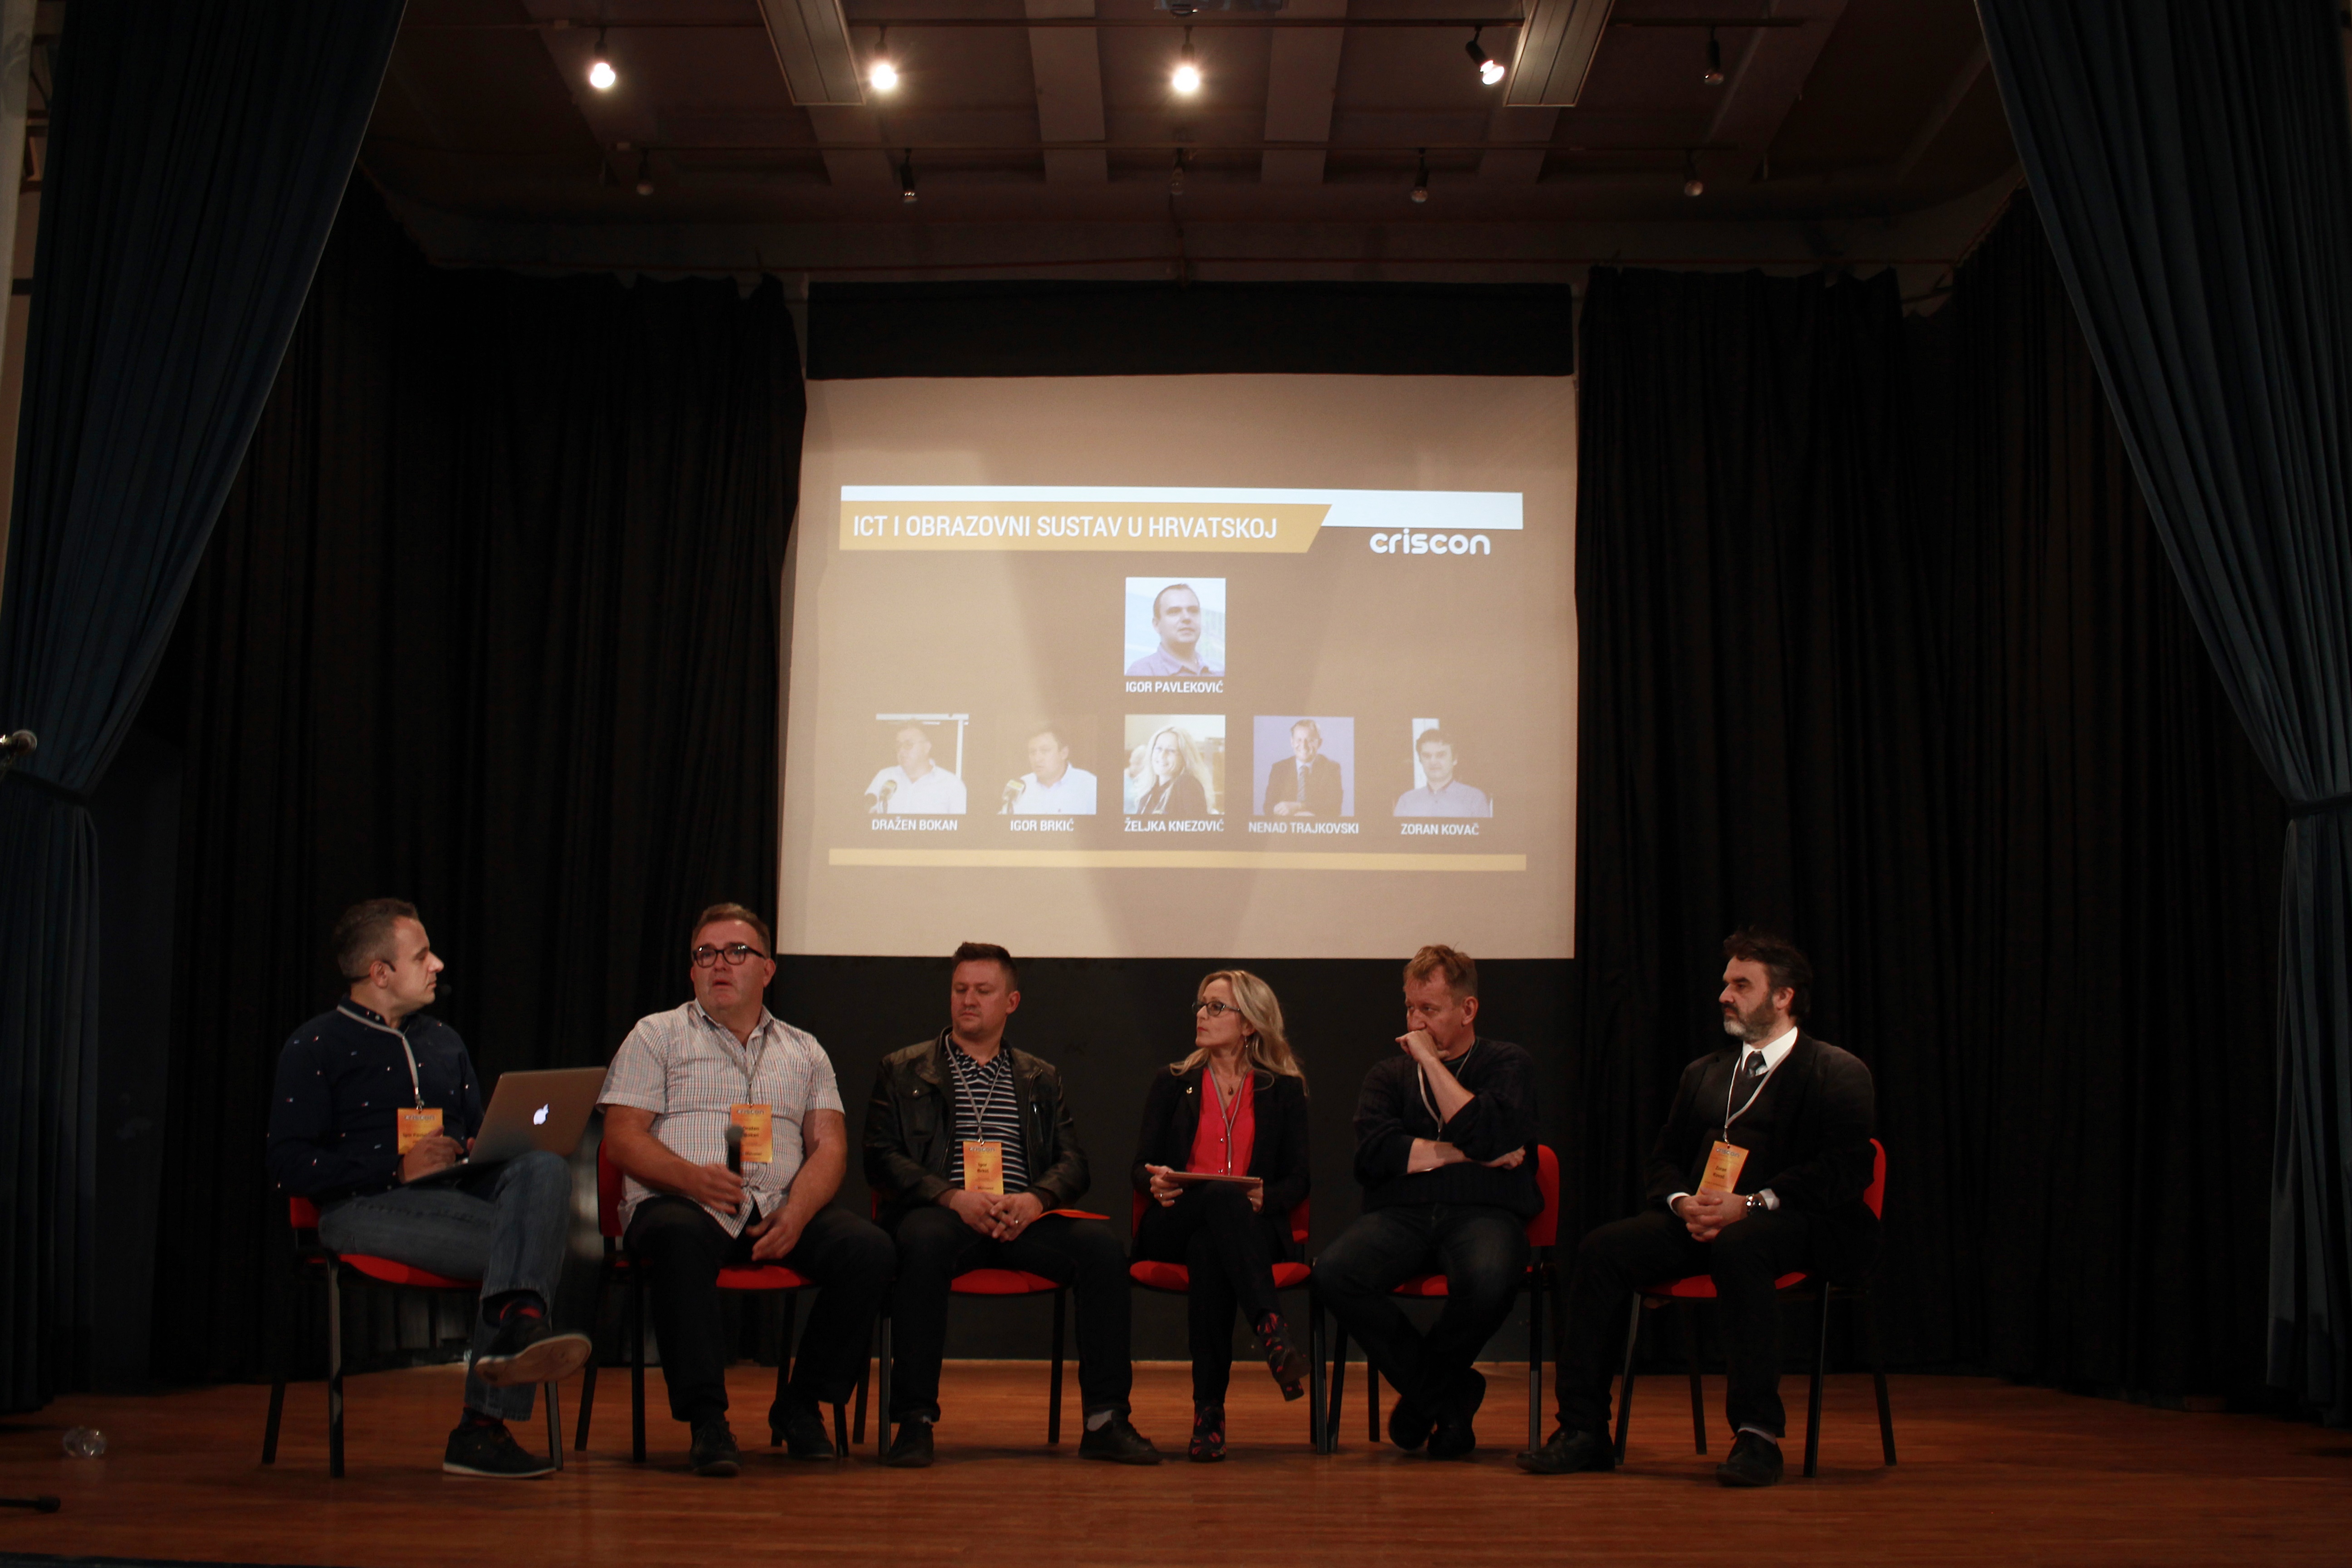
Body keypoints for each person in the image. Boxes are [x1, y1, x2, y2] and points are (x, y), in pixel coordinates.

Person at [1519, 930, 1877, 1487]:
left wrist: (1752, 1204)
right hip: (1705, 1220)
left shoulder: (1836, 1070)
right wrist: (1684, 1202)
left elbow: (1846, 1168)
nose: (1724, 996)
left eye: (1742, 985)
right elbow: (1663, 1160)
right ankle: (1583, 1429)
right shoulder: (1705, 1072)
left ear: (1784, 997)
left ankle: (1757, 1436)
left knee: (1742, 1243)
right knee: (1603, 1250)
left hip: (1801, 1222)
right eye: (1726, 984)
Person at [266, 899, 592, 1480]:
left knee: (544, 1168)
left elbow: (473, 1131)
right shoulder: (314, 1046)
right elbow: (289, 1165)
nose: (438, 964)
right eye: (422, 956)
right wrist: (394, 1169)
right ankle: (489, 1408)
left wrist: (482, 1146)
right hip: (363, 1208)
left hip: (455, 1198)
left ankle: (512, 1335)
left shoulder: (444, 1041)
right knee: (530, 1243)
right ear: (380, 972)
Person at [598, 903, 893, 1478]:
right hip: (683, 1202)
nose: (720, 964)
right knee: (678, 1236)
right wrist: (691, 1177)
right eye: (705, 954)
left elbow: (829, 1146)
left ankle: (802, 1405)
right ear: (692, 971)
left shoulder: (805, 1049)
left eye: (736, 952)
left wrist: (799, 1213)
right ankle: (707, 1420)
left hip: (778, 1205)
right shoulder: (656, 1035)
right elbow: (623, 1138)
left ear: (767, 969)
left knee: (869, 1249)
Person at [864, 942, 1161, 1467]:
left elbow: (1074, 1163)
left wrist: (1034, 1199)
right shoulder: (904, 1069)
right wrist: (952, 1197)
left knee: (1101, 1249)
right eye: (960, 990)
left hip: (1023, 1219)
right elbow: (880, 1157)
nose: (968, 1000)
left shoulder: (1039, 1077)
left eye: (983, 991)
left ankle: (1106, 1421)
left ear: (1012, 1002)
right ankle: (914, 1422)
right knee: (921, 1242)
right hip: (946, 1214)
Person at [1315, 945, 1537, 1460]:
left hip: (1485, 1211)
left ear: (1468, 1009)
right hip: (1402, 1213)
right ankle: (1450, 1395)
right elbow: (1375, 1156)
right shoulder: (1387, 1076)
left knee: (1490, 1278)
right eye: (1411, 1009)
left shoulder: (1507, 1063)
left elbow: (1488, 1131)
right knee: (1334, 1273)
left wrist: (1433, 1066)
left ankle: (1424, 1401)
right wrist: (1470, 1155)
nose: (1416, 1024)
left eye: (1430, 1010)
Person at [1132, 970, 1313, 1461]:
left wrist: (1266, 1198)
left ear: (1249, 1024)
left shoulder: (1282, 1090)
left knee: (1212, 1245)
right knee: (1216, 1199)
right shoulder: (1172, 1083)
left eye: (1216, 1008)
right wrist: (1154, 1181)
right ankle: (1272, 1331)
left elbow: (1299, 1179)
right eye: (1201, 1006)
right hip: (1175, 1219)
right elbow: (1139, 1165)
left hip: (1249, 1229)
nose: (1202, 1016)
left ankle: (1208, 1414)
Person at [864, 723, 969, 815]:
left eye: (909, 744)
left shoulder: (951, 784)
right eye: (898, 745)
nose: (902, 750)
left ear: (926, 748)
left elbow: (961, 828)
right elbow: (866, 818)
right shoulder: (884, 777)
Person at [1126, 582, 1223, 677]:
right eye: (1174, 612)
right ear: (1157, 625)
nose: (1187, 618)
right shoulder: (1143, 672)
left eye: (1193, 611)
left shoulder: (1221, 672)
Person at [1393, 728, 1493, 818]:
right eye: (1427, 756)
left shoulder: (1474, 800)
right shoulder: (1406, 802)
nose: (1433, 762)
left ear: (1455, 759)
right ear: (1420, 760)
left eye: (1440, 755)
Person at [1006, 725, 1099, 814]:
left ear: (1064, 753)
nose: (1037, 759)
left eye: (1045, 751)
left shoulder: (1090, 786)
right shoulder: (1019, 786)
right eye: (1033, 752)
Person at [1263, 718, 1344, 819]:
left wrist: (1299, 807)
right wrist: (1278, 810)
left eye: (1310, 740)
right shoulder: (1279, 768)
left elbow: (1335, 808)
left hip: (1317, 825)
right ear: (1292, 742)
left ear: (1320, 743)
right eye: (1299, 740)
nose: (1304, 746)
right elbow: (1268, 807)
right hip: (1286, 825)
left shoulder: (1331, 768)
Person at [1133, 724, 1214, 818]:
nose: (1162, 756)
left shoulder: (1187, 785)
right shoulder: (1148, 792)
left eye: (1171, 751)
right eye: (1159, 749)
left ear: (1184, 758)